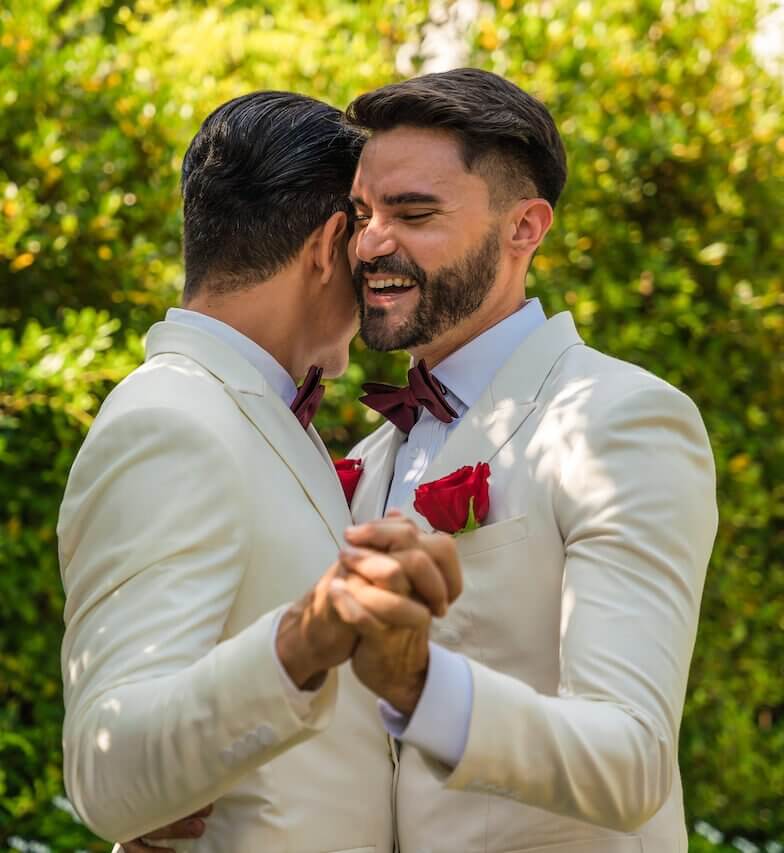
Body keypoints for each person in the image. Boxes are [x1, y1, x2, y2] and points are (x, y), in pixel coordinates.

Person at [123, 68, 718, 852]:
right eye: (362, 213)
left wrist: (420, 685)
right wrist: (166, 806)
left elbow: (632, 759)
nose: (371, 243)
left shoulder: (622, 418)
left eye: (414, 213)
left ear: (524, 228)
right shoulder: (363, 458)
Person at [58, 90, 460, 853]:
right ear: (328, 241)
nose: (379, 265)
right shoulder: (170, 421)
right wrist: (301, 641)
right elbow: (106, 770)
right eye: (371, 234)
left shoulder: (261, 418)